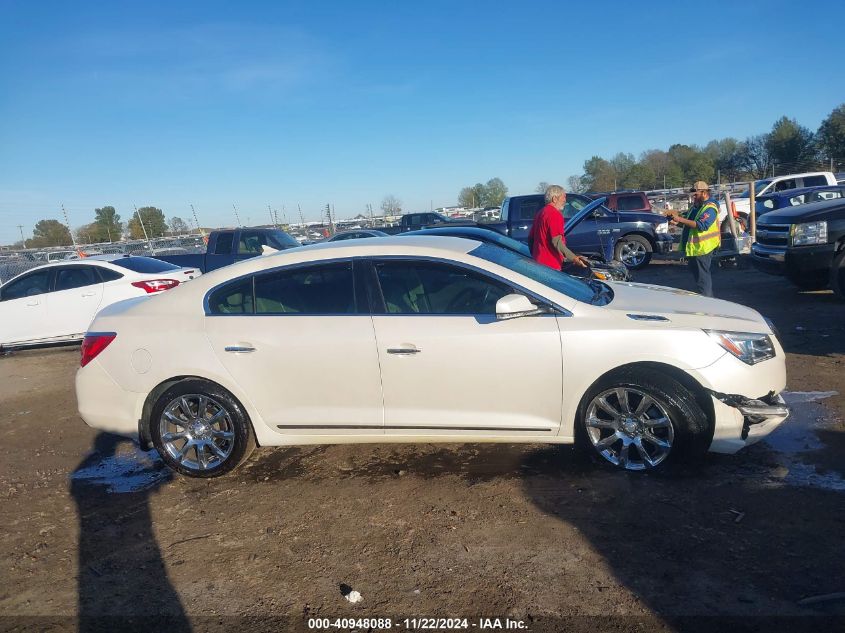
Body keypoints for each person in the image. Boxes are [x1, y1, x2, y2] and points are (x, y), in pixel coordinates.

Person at [665, 181, 721, 297]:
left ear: (704, 193)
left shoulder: (710, 208)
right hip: (694, 248)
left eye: (696, 194)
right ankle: (704, 299)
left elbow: (702, 225)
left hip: (703, 248)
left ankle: (707, 303)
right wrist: (675, 222)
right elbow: (688, 224)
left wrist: (679, 219)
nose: (693, 197)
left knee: (703, 278)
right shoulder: (695, 207)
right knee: (699, 278)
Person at [527, 184, 589, 271]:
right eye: (563, 197)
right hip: (551, 265)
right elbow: (557, 242)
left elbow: (530, 239)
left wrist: (535, 255)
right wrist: (574, 258)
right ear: (554, 199)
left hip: (538, 262)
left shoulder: (540, 213)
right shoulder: (555, 214)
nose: (565, 200)